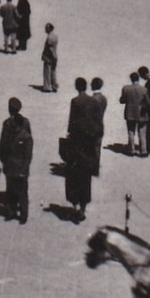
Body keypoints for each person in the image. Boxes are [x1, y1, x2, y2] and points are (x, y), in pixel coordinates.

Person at [0, 97, 33, 224]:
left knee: (11, 188)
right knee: (22, 190)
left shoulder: (7, 123)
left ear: (9, 110)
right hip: (21, 164)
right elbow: (29, 146)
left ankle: (12, 210)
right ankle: (23, 214)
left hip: (9, 162)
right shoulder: (25, 122)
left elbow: (2, 143)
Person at [65, 77, 97, 222]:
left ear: (77, 87)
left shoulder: (75, 102)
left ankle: (75, 206)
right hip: (89, 143)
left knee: (73, 176)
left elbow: (71, 122)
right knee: (86, 178)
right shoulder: (93, 101)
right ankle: (83, 208)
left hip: (77, 144)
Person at [120, 71, 148, 157]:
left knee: (131, 132)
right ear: (138, 79)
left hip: (130, 113)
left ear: (131, 79)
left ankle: (131, 150)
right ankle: (143, 151)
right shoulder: (144, 89)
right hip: (141, 114)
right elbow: (148, 102)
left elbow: (122, 101)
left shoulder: (126, 88)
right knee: (142, 133)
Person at [40, 23, 59, 92]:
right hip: (54, 56)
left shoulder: (49, 38)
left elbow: (50, 49)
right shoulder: (55, 36)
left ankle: (47, 87)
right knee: (53, 72)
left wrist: (50, 56)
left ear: (49, 29)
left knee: (47, 72)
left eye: (46, 28)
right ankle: (54, 86)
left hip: (49, 57)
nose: (45, 29)